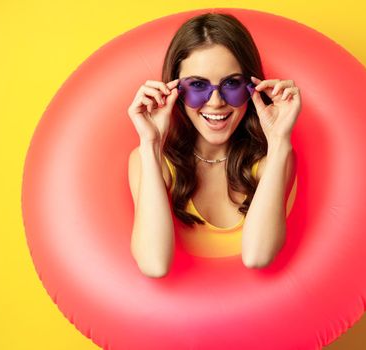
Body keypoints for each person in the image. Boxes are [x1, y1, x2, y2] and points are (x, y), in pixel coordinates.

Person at [127, 12, 300, 278]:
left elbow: (258, 255)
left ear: (252, 86)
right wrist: (151, 143)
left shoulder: (272, 160)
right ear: (175, 90)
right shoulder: (151, 160)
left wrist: (278, 141)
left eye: (232, 83)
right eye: (197, 85)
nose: (216, 102)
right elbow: (154, 264)